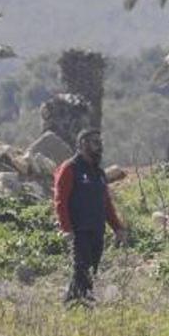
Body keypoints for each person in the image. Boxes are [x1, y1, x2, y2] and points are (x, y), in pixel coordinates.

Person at [53, 130, 128, 304]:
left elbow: (106, 204)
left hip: (97, 230)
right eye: (94, 142)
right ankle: (79, 304)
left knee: (92, 270)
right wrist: (66, 228)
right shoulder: (70, 168)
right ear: (82, 144)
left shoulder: (99, 173)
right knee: (82, 268)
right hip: (79, 230)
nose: (99, 146)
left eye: (100, 142)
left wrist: (117, 228)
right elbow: (60, 200)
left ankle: (75, 302)